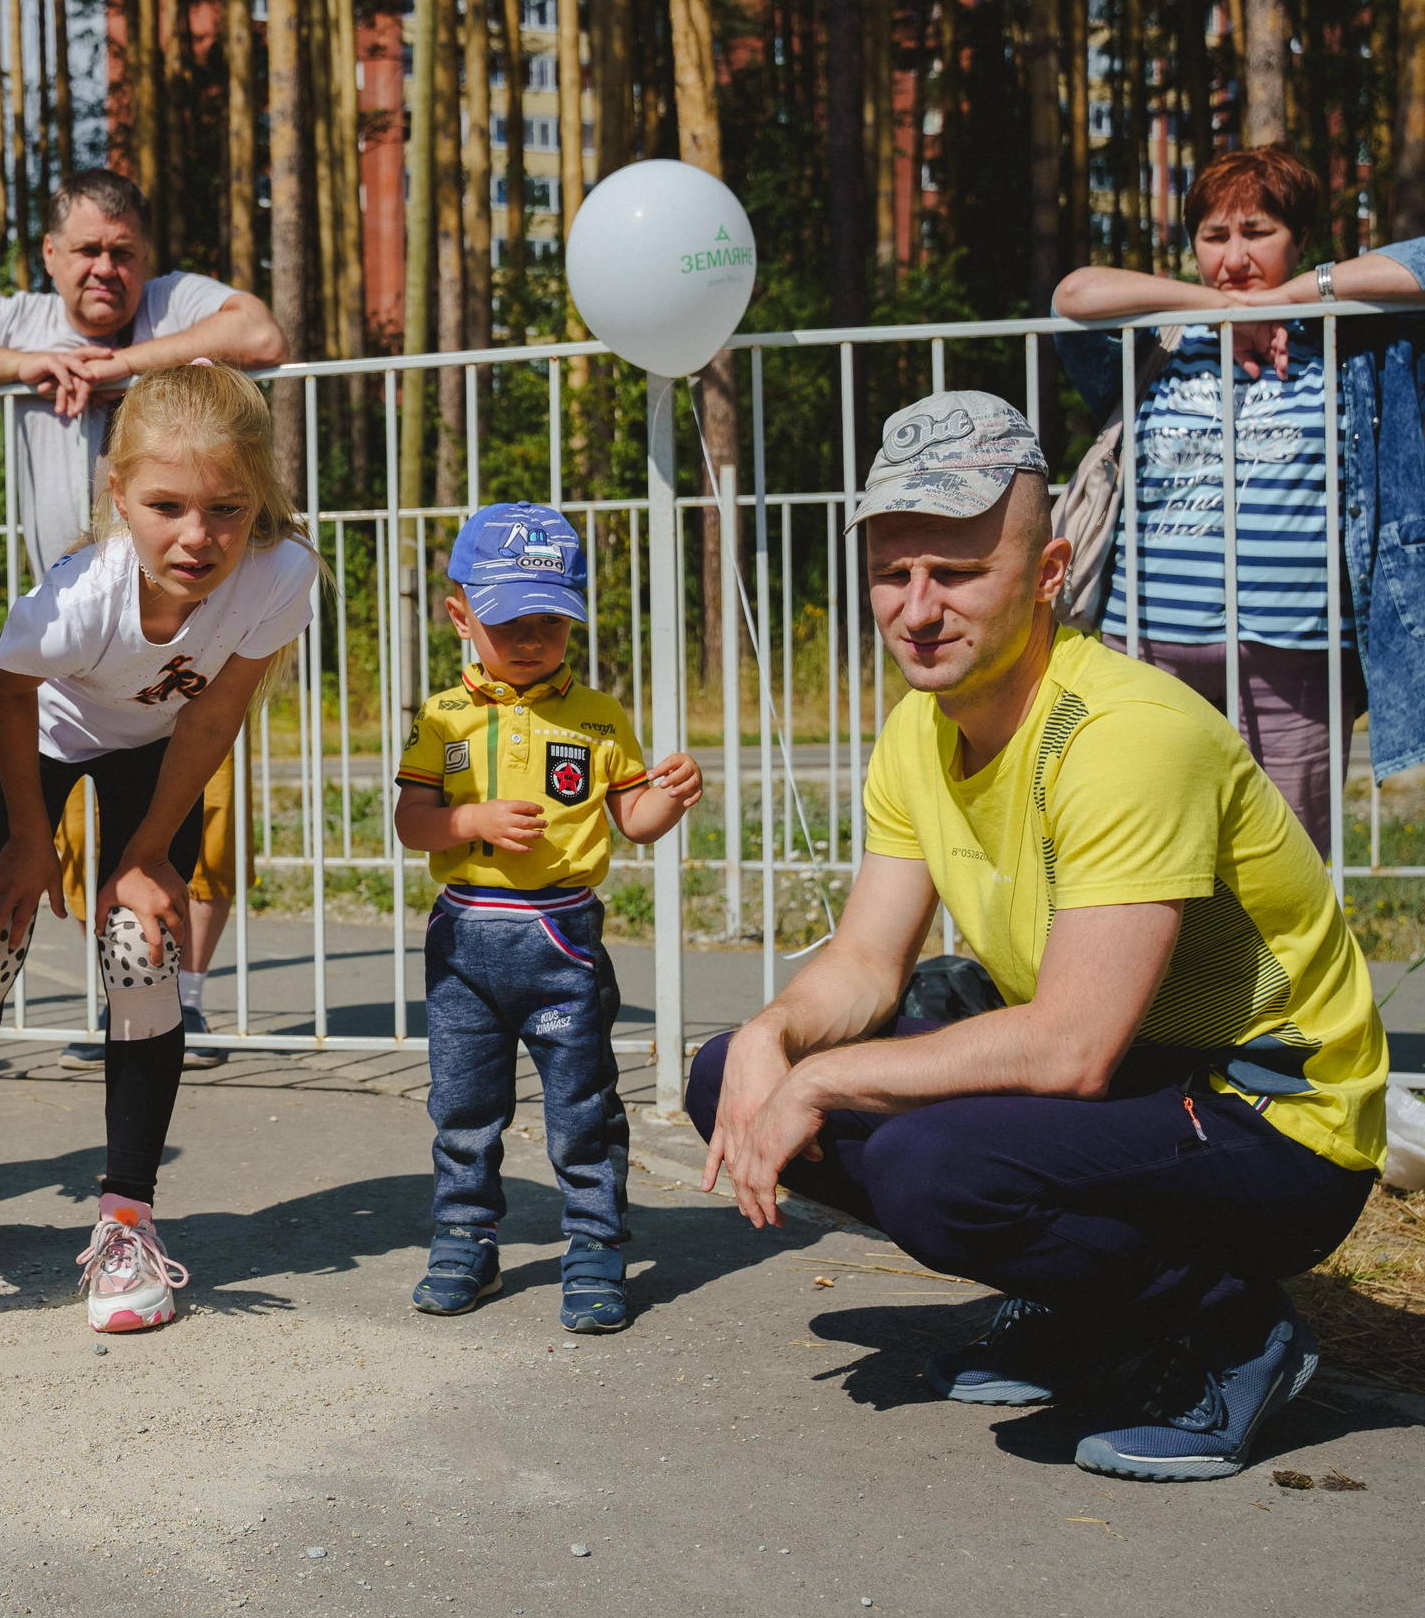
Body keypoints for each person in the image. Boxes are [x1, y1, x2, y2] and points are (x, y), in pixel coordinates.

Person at [691, 391, 1385, 1483]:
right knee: (727, 1071)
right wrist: (773, 1040)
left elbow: (1070, 1049)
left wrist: (823, 1085)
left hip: (1274, 1122)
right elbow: (869, 961)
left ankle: (1231, 1331)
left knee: (932, 1166)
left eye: (958, 572)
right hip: (1137, 1090)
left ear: (1049, 571)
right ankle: (1085, 1308)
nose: (916, 608)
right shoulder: (921, 727)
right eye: (892, 571)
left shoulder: (1124, 737)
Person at [0, 362, 317, 1334]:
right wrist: (34, 843)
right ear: (119, 496)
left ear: (259, 501)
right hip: (42, 742)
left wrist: (144, 856)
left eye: (227, 510)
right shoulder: (76, 600)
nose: (197, 538)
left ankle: (125, 1221)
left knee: (140, 950)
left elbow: (212, 722)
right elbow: (10, 694)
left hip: (154, 755)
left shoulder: (282, 573)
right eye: (166, 507)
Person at [0, 168, 290, 1053]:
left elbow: (259, 330)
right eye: (88, 250)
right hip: (77, 625)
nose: (106, 268)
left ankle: (183, 989)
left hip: (189, 617)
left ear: (149, 262)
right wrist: (27, 365)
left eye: (124, 253)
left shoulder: (173, 305)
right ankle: (3, 1004)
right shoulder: (20, 318)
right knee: (32, 833)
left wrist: (122, 369)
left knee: (195, 811)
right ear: (51, 256)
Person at [1052, 147, 1425, 842]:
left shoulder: (1346, 336)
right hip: (1151, 644)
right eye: (1214, 237)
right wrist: (1222, 309)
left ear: (1300, 239)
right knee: (1149, 849)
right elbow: (1071, 296)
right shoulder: (1162, 339)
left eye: (1258, 232)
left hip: (1299, 649)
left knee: (1285, 860)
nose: (1235, 255)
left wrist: (1288, 299)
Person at [393, 503, 701, 1334]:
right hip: (464, 940)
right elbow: (412, 821)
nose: (530, 639)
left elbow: (633, 820)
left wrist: (667, 801)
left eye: (551, 622)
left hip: (562, 937)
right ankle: (464, 1236)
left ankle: (597, 1246)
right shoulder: (441, 717)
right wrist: (470, 822)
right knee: (463, 1105)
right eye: (508, 622)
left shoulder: (600, 718)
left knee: (583, 1104)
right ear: (460, 615)